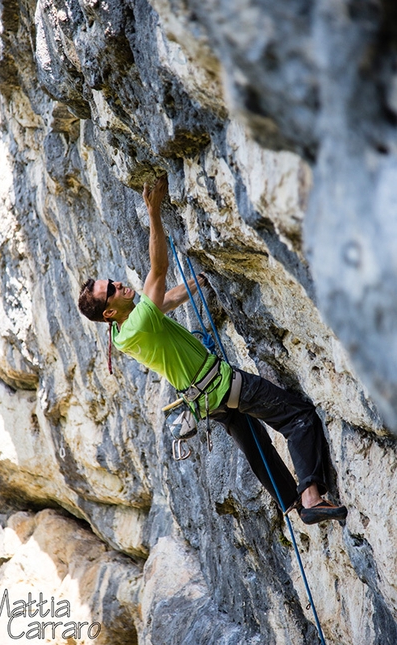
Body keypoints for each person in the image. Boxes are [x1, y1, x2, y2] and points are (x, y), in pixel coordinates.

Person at [78, 176, 347, 525]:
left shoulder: (122, 331)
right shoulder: (135, 324)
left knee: (255, 444)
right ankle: (311, 497)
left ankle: (288, 499)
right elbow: (158, 273)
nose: (118, 284)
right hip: (221, 384)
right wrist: (154, 212)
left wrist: (199, 282)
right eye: (111, 290)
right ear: (110, 310)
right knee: (297, 417)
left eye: (111, 281)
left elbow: (165, 299)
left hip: (205, 400)